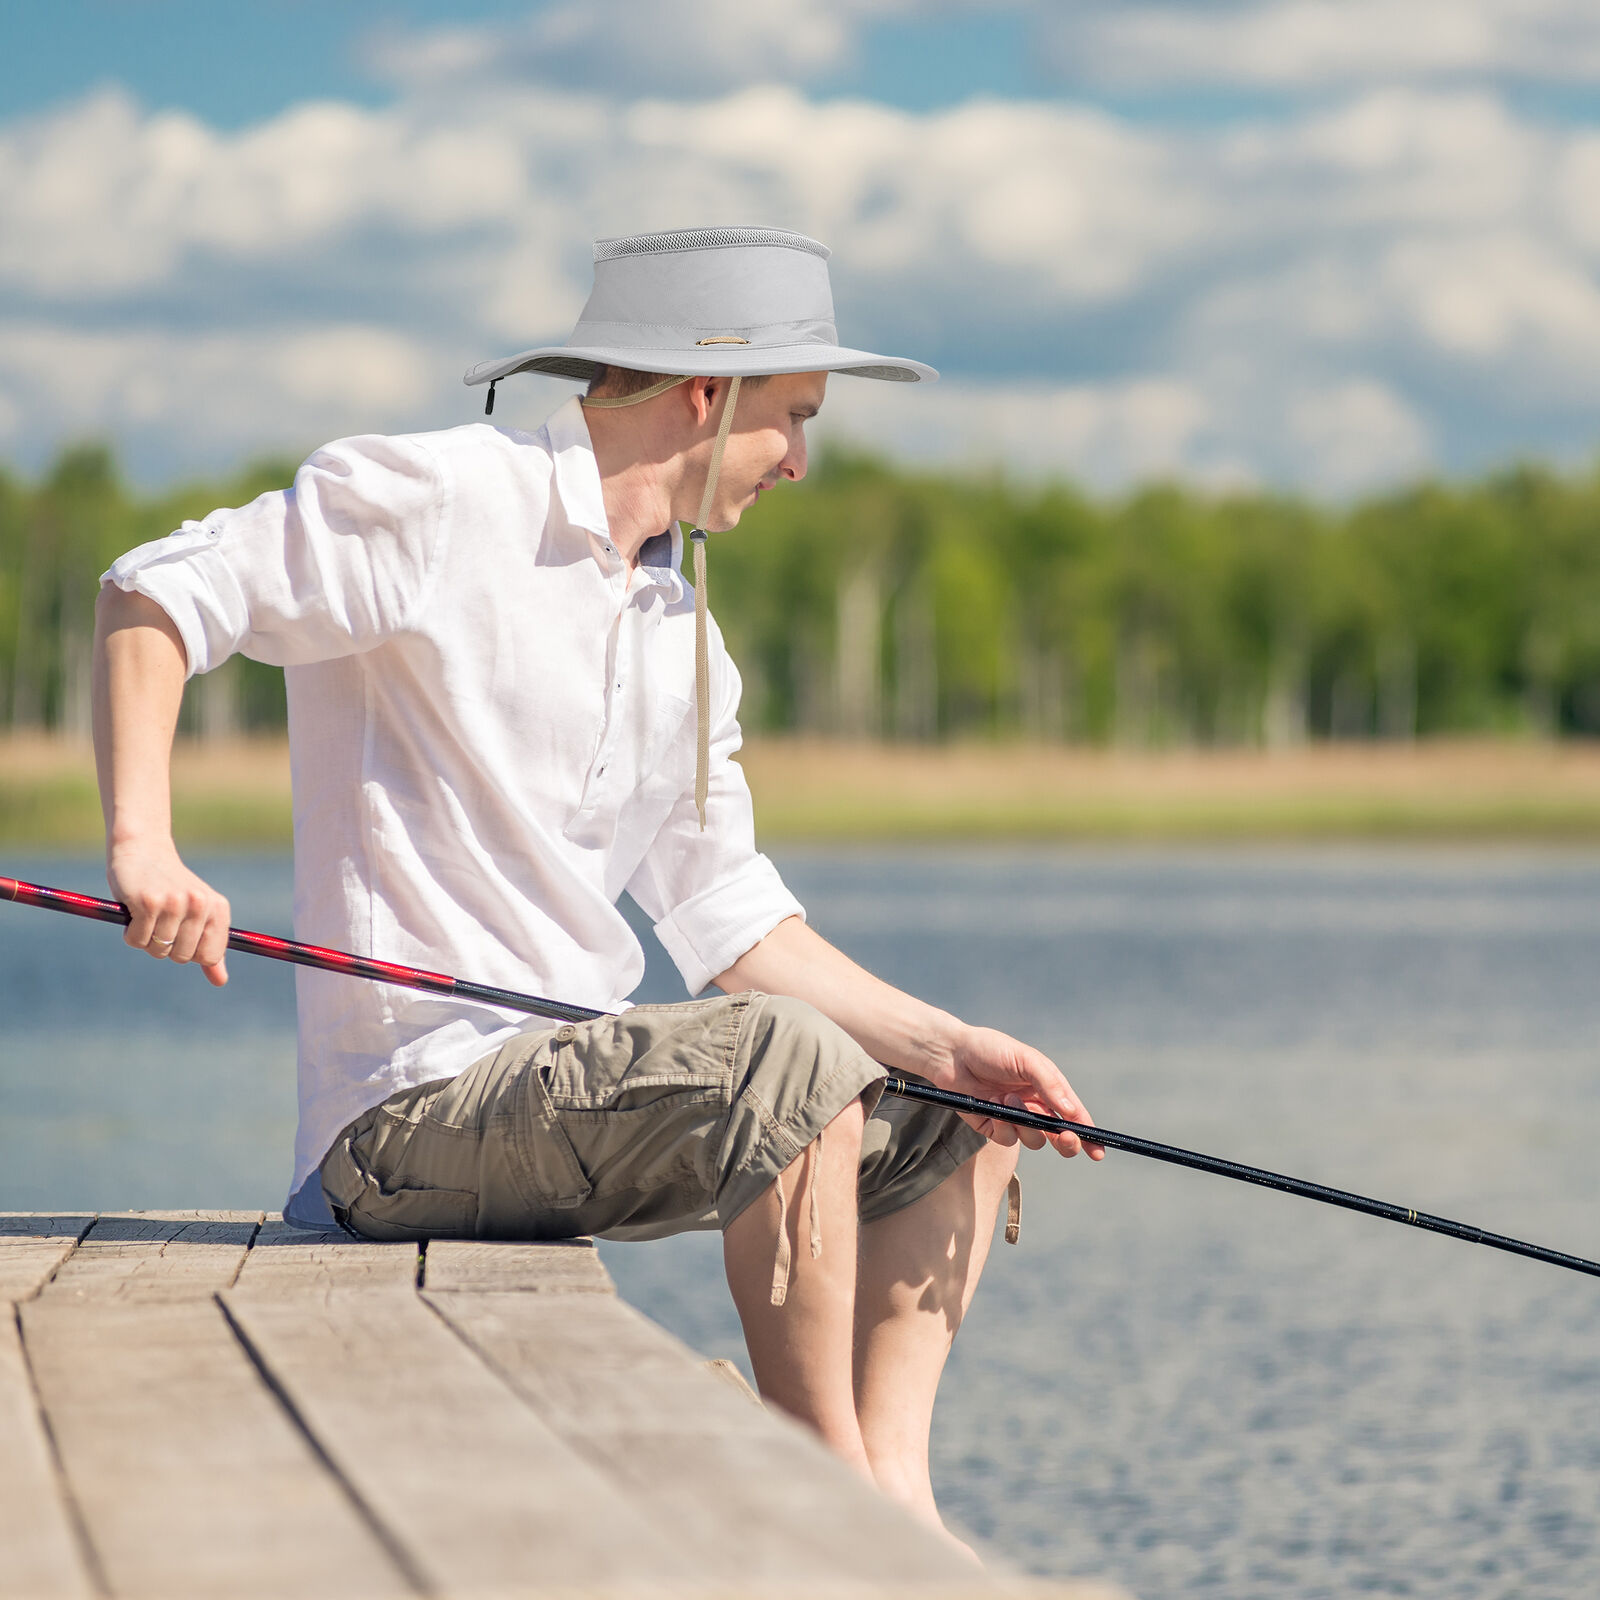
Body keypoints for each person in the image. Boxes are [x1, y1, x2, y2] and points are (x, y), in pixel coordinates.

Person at [91, 225, 1101, 1547]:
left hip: (579, 1106)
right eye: (794, 417)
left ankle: (899, 1502)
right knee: (788, 1061)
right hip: (405, 1127)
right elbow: (155, 590)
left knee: (933, 1105)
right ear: (707, 393)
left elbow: (733, 924)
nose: (801, 458)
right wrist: (142, 848)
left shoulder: (680, 625)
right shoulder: (446, 499)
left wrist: (953, 1048)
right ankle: (824, 1505)